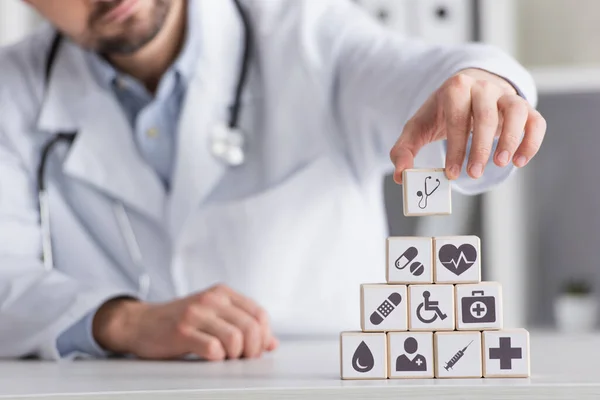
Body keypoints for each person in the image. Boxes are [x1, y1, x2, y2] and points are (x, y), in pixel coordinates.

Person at [0, 0, 546, 361]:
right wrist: (120, 321)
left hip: (330, 383)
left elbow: (415, 70)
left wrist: (480, 83)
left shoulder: (306, 32)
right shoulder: (13, 92)